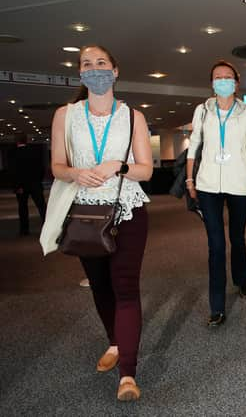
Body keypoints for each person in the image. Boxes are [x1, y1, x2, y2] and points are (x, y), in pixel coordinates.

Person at [49, 45, 152, 401]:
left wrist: (117, 166)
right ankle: (114, 341)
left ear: (115, 71)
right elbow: (57, 167)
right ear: (80, 74)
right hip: (86, 214)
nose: (95, 69)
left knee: (125, 286)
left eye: (102, 63)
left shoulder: (133, 115)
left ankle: (128, 374)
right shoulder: (66, 115)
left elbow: (146, 169)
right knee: (100, 286)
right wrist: (76, 173)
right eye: (87, 64)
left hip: (128, 211)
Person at [186, 60, 246, 327]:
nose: (222, 81)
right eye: (218, 77)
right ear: (211, 83)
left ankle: (242, 279)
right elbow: (194, 144)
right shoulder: (202, 111)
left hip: (240, 184)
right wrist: (189, 178)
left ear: (236, 83)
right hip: (208, 185)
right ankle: (217, 307)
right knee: (216, 246)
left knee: (237, 238)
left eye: (227, 77)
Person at [10, 133, 46, 235]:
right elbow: (41, 168)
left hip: (21, 185)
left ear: (16, 141)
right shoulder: (34, 152)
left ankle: (24, 230)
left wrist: (17, 186)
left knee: (23, 207)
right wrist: (38, 180)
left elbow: (13, 172)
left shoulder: (13, 153)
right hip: (35, 184)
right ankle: (47, 226)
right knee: (41, 206)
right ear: (26, 140)